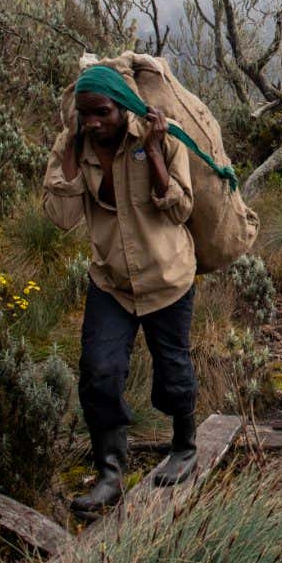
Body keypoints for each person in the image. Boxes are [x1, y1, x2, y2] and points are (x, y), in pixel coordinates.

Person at [41, 66, 199, 518]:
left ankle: (185, 445)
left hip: (166, 277)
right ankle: (110, 472)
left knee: (173, 369)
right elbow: (60, 216)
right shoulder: (74, 144)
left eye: (102, 113)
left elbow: (181, 209)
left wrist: (152, 154)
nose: (93, 123)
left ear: (121, 108)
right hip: (111, 279)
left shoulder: (161, 136)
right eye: (84, 115)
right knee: (98, 372)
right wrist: (71, 149)